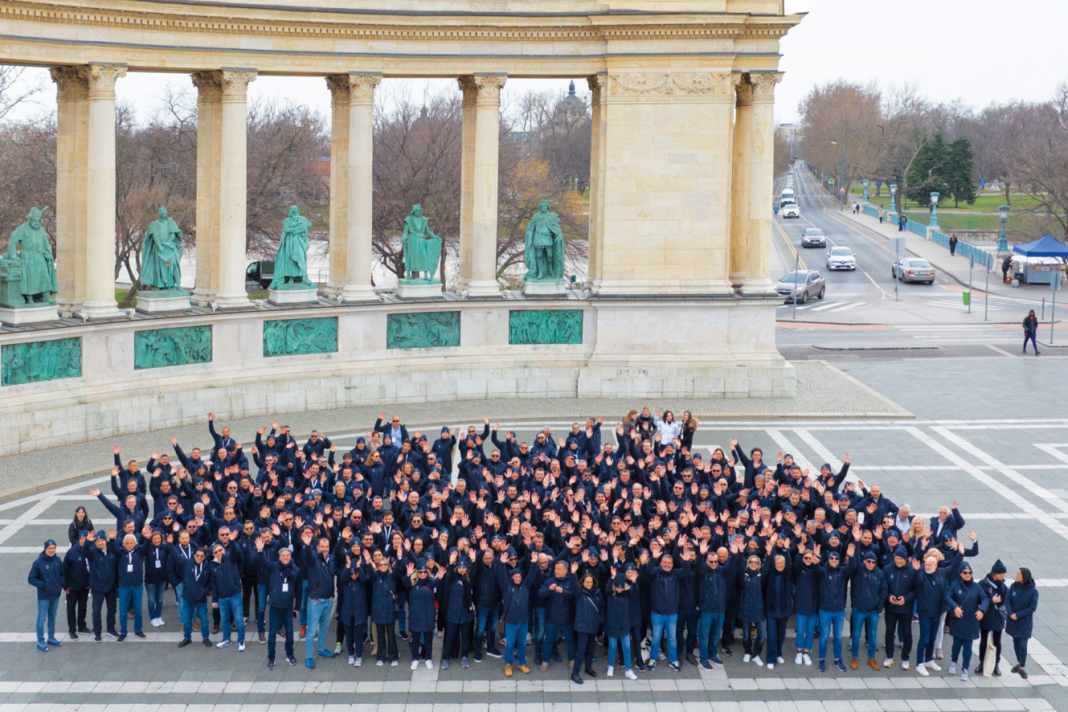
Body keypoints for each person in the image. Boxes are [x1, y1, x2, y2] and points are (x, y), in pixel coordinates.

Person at [945, 563, 989, 682]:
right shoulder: (955, 585)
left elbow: (985, 599)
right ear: (960, 574)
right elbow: (947, 597)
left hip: (971, 621)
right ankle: (953, 662)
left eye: (970, 572)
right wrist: (955, 607)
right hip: (958, 620)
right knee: (956, 645)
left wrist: (981, 610)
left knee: (968, 648)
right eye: (965, 572)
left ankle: (965, 668)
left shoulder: (976, 587)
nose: (968, 575)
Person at [28, 539, 63, 652]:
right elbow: (31, 579)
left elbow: (62, 574)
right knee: (42, 618)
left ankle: (51, 638)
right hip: (44, 596)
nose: (52, 550)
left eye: (54, 548)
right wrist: (43, 585)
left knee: (52, 617)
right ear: (45, 549)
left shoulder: (57, 560)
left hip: (55, 595)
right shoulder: (38, 562)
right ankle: (40, 640)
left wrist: (61, 585)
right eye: (50, 548)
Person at [1006, 567, 1038, 679]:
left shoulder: (1033, 591)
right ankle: (1019, 663)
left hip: (1024, 623)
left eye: (1018, 574)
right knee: (1015, 643)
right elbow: (1007, 601)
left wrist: (1018, 615)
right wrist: (1010, 613)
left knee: (1022, 644)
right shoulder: (1013, 586)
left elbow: (1032, 608)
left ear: (1024, 577)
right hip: (1013, 621)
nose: (1016, 575)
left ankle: (1022, 666)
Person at [570, 572, 603, 685]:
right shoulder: (579, 593)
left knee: (591, 650)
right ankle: (574, 673)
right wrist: (574, 574)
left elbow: (601, 607)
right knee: (581, 651)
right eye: (587, 582)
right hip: (582, 627)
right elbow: (575, 586)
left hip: (593, 626)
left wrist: (600, 622)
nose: (589, 584)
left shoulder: (598, 592)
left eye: (590, 582)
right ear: (582, 583)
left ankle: (588, 668)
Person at [178, 547, 213, 649]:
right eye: (197, 555)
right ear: (194, 556)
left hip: (201, 598)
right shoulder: (187, 564)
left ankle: (205, 638)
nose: (199, 558)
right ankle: (187, 638)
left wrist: (205, 592)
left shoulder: (207, 566)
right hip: (188, 598)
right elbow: (183, 577)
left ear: (204, 557)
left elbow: (210, 582)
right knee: (187, 619)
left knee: (204, 619)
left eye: (202, 556)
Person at [977, 559, 1008, 676]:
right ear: (996, 574)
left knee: (997, 642)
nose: (1004, 576)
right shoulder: (983, 584)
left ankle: (996, 664)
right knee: (983, 641)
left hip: (998, 618)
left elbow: (1006, 602)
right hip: (986, 616)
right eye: (1002, 574)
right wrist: (991, 601)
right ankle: (981, 662)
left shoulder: (1003, 587)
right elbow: (980, 600)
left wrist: (1001, 604)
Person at [63, 530, 92, 639]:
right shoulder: (72, 552)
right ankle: (72, 629)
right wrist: (65, 586)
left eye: (89, 538)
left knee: (83, 606)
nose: (87, 540)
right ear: (81, 538)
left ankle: (81, 626)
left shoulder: (89, 550)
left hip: (85, 586)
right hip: (72, 586)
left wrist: (90, 583)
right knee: (71, 608)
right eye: (85, 538)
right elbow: (64, 569)